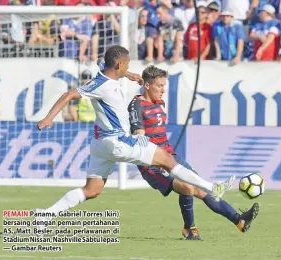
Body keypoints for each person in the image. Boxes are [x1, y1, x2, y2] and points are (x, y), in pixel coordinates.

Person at [36, 45, 234, 227]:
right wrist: (48, 118)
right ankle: (212, 187)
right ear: (119, 64)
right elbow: (69, 95)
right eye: (127, 65)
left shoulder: (108, 72)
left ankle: (45, 216)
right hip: (117, 141)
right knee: (166, 159)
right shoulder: (100, 84)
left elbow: (107, 67)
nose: (129, 68)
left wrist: (129, 74)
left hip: (100, 144)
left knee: (92, 190)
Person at [128, 65, 260, 240]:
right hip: (151, 163)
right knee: (188, 187)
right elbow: (139, 136)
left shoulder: (158, 101)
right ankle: (191, 229)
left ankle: (238, 221)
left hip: (169, 156)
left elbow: (147, 88)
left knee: (198, 187)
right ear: (147, 86)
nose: (163, 90)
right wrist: (146, 153)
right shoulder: (136, 105)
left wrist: (138, 77)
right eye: (159, 86)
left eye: (164, 85)